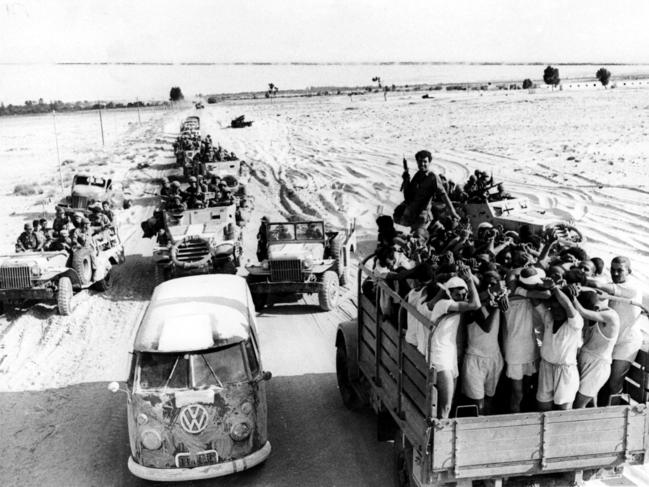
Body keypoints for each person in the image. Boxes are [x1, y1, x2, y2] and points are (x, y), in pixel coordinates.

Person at [586, 256, 645, 405]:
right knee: (600, 381)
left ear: (629, 272)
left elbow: (598, 284)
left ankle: (615, 418)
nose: (615, 273)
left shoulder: (632, 288)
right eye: (612, 270)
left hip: (627, 343)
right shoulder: (613, 285)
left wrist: (577, 276)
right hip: (611, 340)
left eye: (620, 270)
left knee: (614, 383)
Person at [425, 264, 481, 418]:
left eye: (464, 295)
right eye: (458, 295)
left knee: (449, 404)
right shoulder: (444, 304)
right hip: (440, 357)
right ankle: (439, 439)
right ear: (449, 293)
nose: (462, 298)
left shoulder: (453, 304)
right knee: (446, 405)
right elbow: (475, 304)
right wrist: (469, 280)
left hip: (449, 356)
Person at [461, 271, 507, 414]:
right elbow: (487, 327)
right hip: (474, 360)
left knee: (489, 399)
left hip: (494, 358)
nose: (491, 289)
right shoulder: (472, 307)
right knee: (478, 404)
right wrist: (495, 306)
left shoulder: (499, 303)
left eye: (493, 285)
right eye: (487, 286)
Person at [535, 284, 583, 411]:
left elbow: (568, 306)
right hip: (546, 367)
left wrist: (555, 287)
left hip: (565, 372)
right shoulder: (548, 318)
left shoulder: (575, 323)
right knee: (543, 410)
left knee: (564, 412)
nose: (556, 311)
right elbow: (534, 300)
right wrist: (541, 283)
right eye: (553, 308)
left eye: (560, 308)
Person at [573, 291, 620, 408]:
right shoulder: (598, 313)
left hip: (597, 367)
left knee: (578, 406)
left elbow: (582, 311)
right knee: (590, 404)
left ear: (595, 307)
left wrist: (571, 296)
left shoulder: (610, 316)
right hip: (587, 363)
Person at [398, 150, 459, 229]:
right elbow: (408, 196)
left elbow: (444, 195)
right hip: (413, 215)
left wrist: (452, 212)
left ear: (429, 162)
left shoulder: (432, 177)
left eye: (425, 161)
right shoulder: (417, 176)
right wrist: (406, 180)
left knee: (418, 238)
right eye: (420, 161)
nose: (422, 164)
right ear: (417, 162)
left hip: (423, 216)